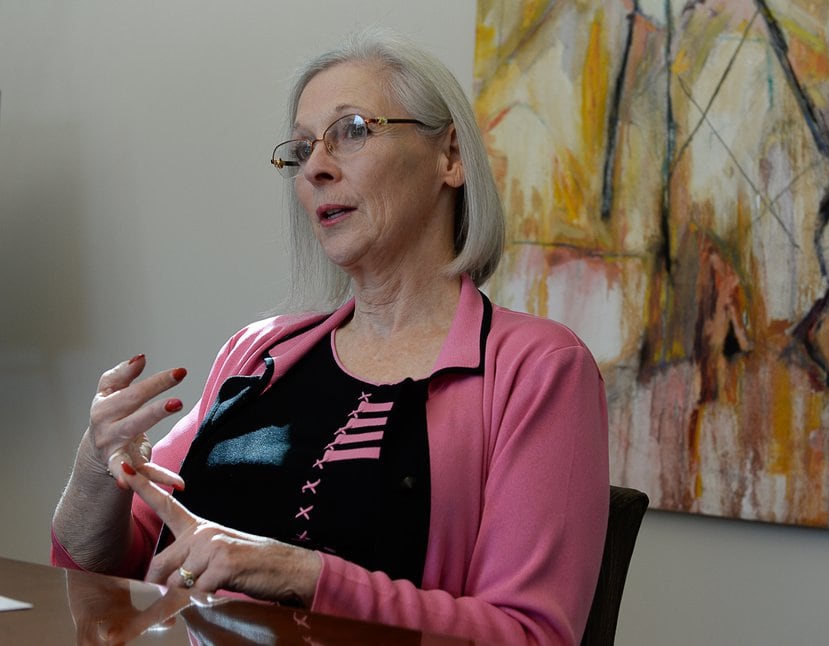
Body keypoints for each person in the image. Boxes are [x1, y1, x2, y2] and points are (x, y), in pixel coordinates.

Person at [52, 29, 609, 645]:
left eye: (352, 130)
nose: (315, 167)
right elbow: (106, 578)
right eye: (300, 149)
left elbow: (532, 636)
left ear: (450, 156)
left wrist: (301, 574)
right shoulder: (256, 353)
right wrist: (98, 463)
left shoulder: (538, 368)